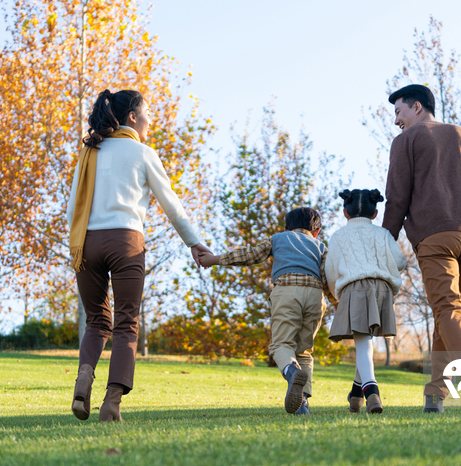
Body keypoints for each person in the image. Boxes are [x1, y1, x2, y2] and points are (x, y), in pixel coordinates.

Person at [67, 89, 210, 422]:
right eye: (147, 113)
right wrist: (194, 242)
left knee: (96, 322)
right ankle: (112, 403)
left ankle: (83, 379)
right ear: (132, 117)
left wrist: (78, 244)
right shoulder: (143, 153)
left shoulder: (89, 153)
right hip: (126, 241)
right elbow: (172, 206)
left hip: (86, 243)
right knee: (126, 321)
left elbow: (73, 206)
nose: (150, 120)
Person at [382, 84, 461, 414]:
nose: (396, 120)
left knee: (447, 309)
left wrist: (384, 242)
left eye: (399, 111)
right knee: (448, 313)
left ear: (418, 108)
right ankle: (435, 395)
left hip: (437, 236)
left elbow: (397, 198)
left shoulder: (406, 141)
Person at [198, 207, 338, 415]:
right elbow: (327, 279)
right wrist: (337, 304)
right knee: (305, 351)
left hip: (287, 292)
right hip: (315, 297)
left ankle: (291, 373)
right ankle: (303, 403)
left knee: (282, 344)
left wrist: (215, 260)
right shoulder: (321, 246)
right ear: (316, 231)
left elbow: (250, 255)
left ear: (286, 228)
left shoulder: (278, 238)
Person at [325, 189, 406, 414]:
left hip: (354, 287)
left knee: (363, 343)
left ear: (345, 212)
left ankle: (372, 393)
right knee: (365, 340)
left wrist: (336, 296)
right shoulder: (383, 234)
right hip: (382, 287)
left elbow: (330, 270)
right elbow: (399, 262)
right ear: (375, 213)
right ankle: (355, 396)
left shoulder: (339, 236)